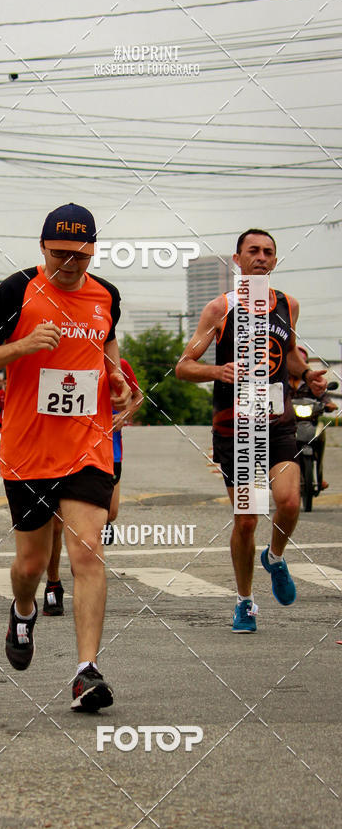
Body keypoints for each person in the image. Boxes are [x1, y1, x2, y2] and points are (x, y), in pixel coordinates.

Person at [0, 202, 130, 712]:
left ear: (93, 252)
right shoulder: (16, 291)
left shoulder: (107, 295)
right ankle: (22, 609)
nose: (70, 264)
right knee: (31, 564)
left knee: (88, 553)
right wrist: (23, 346)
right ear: (42, 247)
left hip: (87, 444)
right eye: (60, 254)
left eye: (80, 255)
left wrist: (116, 377)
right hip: (29, 449)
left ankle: (86, 671)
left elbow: (106, 343)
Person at [176, 228, 326, 633]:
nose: (261, 257)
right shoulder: (219, 309)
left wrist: (307, 375)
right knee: (246, 520)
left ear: (275, 261)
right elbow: (183, 366)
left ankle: (274, 558)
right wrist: (217, 371)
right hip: (235, 430)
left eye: (268, 252)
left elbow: (289, 356)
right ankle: (245, 602)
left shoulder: (288, 305)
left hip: (278, 423)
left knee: (289, 502)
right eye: (253, 251)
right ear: (237, 260)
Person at [44, 357, 143, 616]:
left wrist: (124, 415)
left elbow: (138, 397)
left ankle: (82, 565)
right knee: (57, 523)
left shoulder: (117, 365)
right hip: (63, 450)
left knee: (110, 513)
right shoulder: (62, 361)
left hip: (108, 449)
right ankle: (54, 584)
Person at [290, 346, 336, 491]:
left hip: (310, 421)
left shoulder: (311, 381)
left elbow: (322, 395)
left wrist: (328, 404)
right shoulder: (281, 382)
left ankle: (319, 475)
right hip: (289, 423)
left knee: (320, 435)